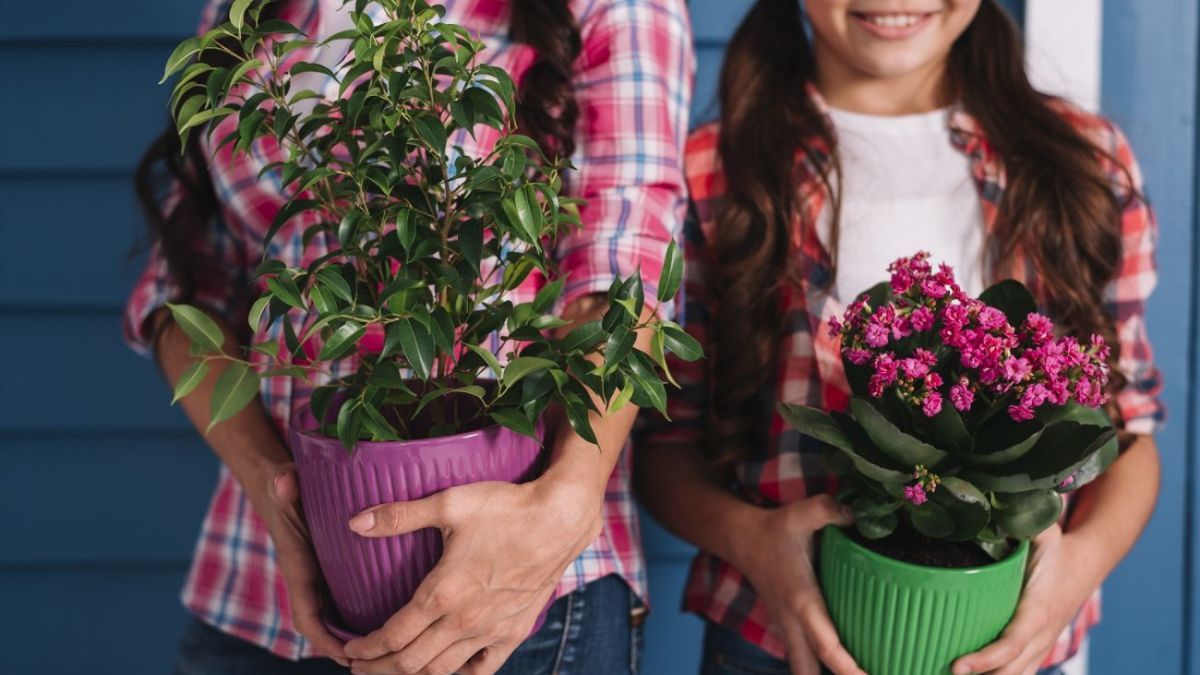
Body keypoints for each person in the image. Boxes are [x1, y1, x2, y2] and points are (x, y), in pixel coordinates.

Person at [127, 0, 693, 673]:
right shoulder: (245, 12)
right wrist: (273, 488)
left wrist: (568, 493)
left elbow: (625, 265)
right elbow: (186, 294)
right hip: (263, 585)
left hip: (507, 591)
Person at [634, 1, 1163, 674]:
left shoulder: (1086, 163)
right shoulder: (714, 168)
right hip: (773, 642)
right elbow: (663, 443)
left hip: (1009, 649)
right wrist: (753, 540)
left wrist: (1077, 568)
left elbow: (1127, 429)